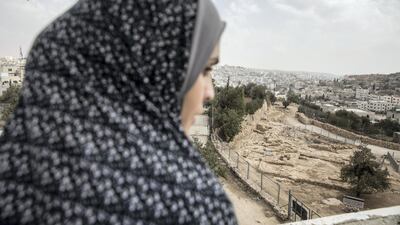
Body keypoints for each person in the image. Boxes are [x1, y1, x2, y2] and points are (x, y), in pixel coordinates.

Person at [0, 0, 238, 224]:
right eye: (204, 70)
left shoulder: (14, 175)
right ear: (159, 70)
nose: (210, 93)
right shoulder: (195, 209)